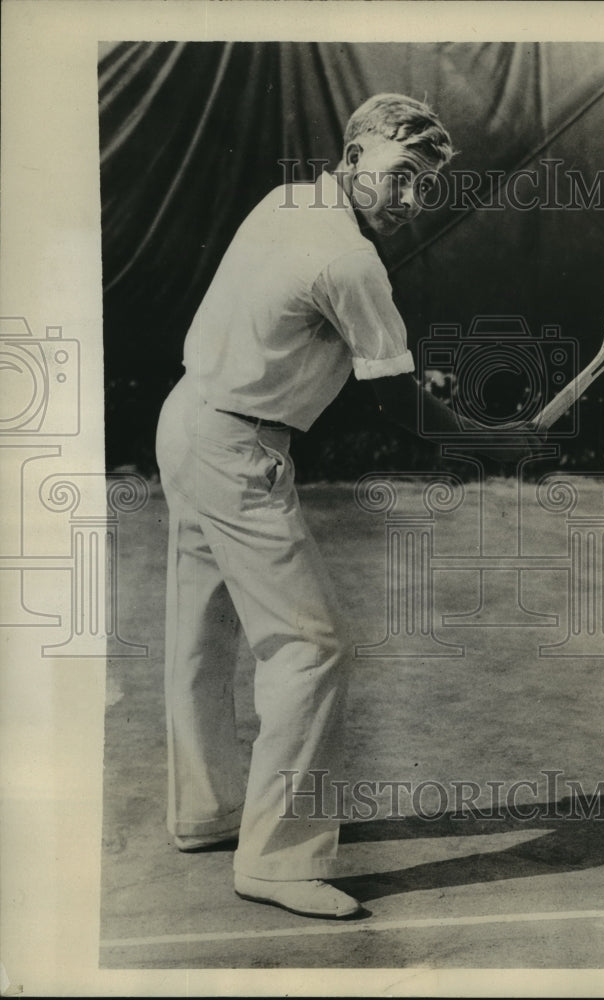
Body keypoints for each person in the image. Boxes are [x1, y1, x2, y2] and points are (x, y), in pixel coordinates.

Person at [155, 93, 539, 921]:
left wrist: (412, 383)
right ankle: (282, 863)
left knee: (204, 630)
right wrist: (491, 442)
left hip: (186, 420)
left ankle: (207, 811)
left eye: (424, 186)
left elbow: (322, 337)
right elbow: (394, 400)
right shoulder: (350, 261)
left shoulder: (292, 199)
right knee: (311, 647)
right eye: (400, 177)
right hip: (236, 451)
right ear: (356, 151)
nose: (409, 200)